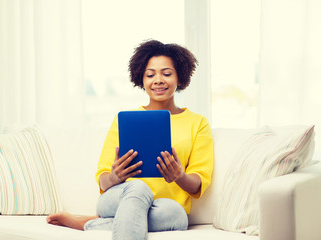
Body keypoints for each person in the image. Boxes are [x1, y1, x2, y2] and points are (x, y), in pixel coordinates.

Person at [46, 39, 214, 240]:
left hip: (163, 207)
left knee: (176, 215)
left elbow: (198, 184)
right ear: (141, 79)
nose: (158, 80)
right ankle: (108, 218)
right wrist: (115, 177)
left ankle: (89, 223)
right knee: (139, 188)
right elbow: (103, 177)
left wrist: (179, 176)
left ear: (179, 77)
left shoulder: (198, 123)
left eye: (166, 74)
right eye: (150, 75)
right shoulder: (124, 120)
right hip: (119, 196)